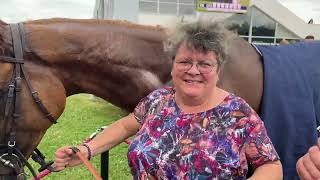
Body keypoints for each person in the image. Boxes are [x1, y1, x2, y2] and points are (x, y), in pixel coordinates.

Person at [53, 20, 282, 179]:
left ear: (218, 70)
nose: (193, 70)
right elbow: (125, 125)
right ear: (172, 66)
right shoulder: (158, 100)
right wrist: (87, 149)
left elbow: (271, 165)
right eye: (185, 62)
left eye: (204, 64)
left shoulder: (238, 113)